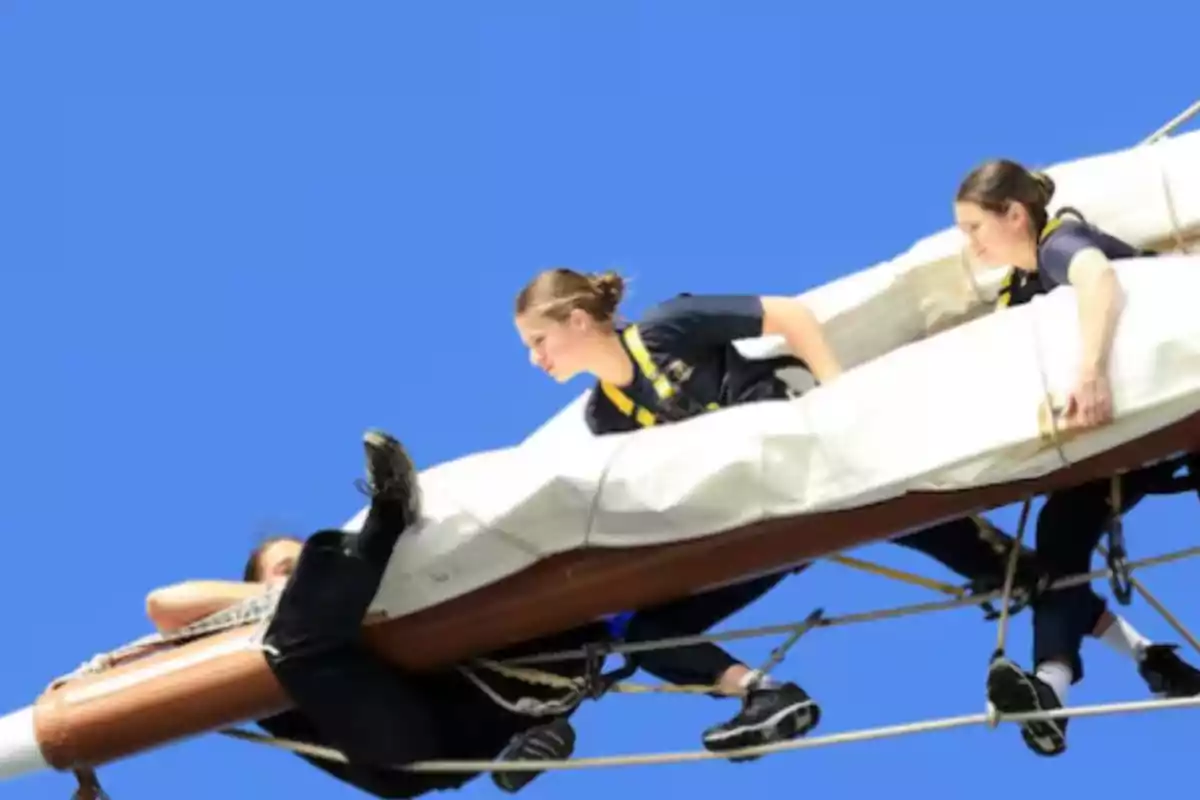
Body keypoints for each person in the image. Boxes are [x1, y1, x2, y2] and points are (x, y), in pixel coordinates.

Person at [512, 263, 1200, 758]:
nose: (535, 359)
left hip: (834, 470)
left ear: (578, 320)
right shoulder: (607, 417)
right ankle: (763, 693)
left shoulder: (667, 328)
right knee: (644, 630)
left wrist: (840, 404)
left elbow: (787, 315)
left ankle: (1144, 655)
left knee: (1005, 568)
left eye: (538, 341)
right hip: (766, 523)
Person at [146, 430, 611, 797]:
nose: (307, 570)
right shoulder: (276, 630)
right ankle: (387, 515)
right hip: (419, 746)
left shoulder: (362, 595)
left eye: (311, 561)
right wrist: (280, 591)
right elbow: (165, 606)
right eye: (292, 565)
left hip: (503, 682)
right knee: (294, 645)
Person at [953, 158, 1200, 756]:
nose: (971, 246)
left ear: (1015, 214)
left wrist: (1090, 374)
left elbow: (1101, 282)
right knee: (1059, 534)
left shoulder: (1060, 243)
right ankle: (1051, 691)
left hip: (1160, 411)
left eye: (975, 229)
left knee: (1060, 536)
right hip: (1120, 443)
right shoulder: (1020, 291)